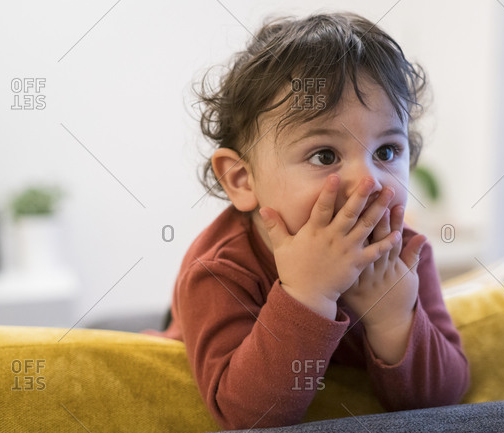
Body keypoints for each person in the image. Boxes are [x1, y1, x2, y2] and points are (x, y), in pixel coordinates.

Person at [157, 12, 470, 430]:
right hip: (187, 330)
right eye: (325, 155)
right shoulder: (219, 271)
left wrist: (394, 319)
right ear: (242, 179)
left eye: (387, 151)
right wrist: (307, 295)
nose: (368, 180)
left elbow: (446, 401)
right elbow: (248, 417)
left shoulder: (405, 254)